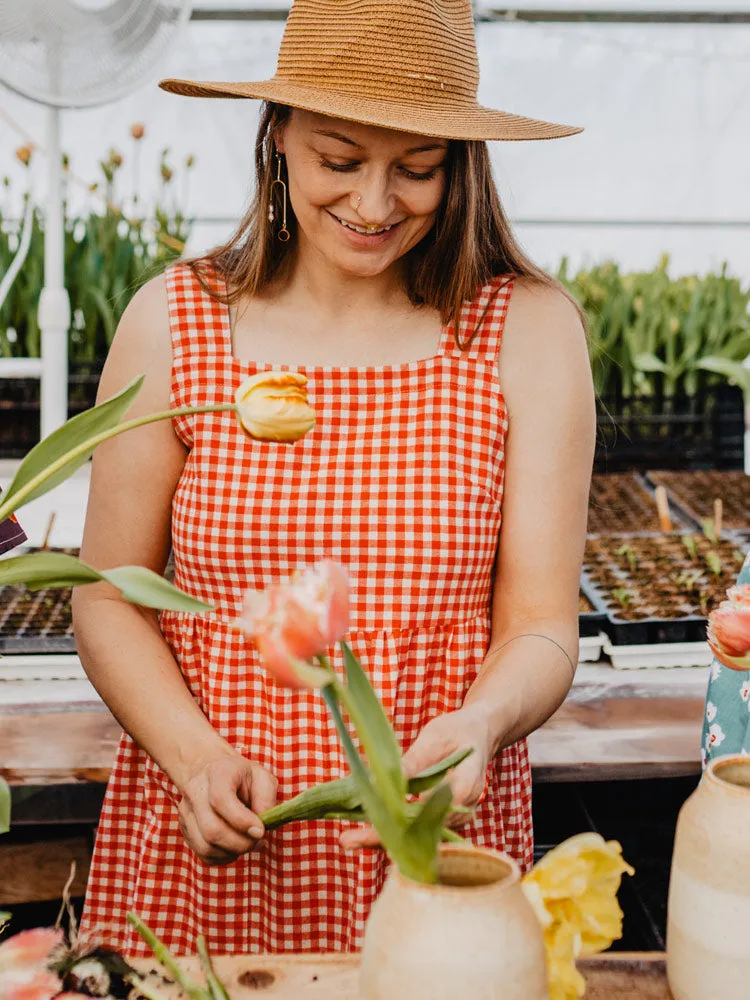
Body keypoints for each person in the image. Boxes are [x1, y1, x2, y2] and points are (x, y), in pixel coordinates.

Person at [74, 0, 595, 956]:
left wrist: (484, 722)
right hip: (213, 834)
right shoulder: (177, 320)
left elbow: (541, 627)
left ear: (462, 164)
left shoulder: (526, 331)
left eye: (418, 168)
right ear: (276, 139)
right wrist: (194, 761)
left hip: (437, 845)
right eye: (339, 159)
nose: (373, 203)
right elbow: (108, 598)